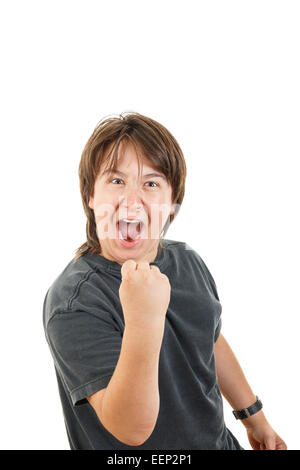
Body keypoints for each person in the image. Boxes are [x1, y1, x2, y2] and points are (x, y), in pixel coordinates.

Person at [43, 112, 287, 450]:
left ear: (171, 204)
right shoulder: (73, 302)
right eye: (116, 181)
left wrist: (255, 418)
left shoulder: (187, 260)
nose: (131, 200)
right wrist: (144, 319)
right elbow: (130, 429)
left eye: (151, 183)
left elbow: (210, 340)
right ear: (90, 196)